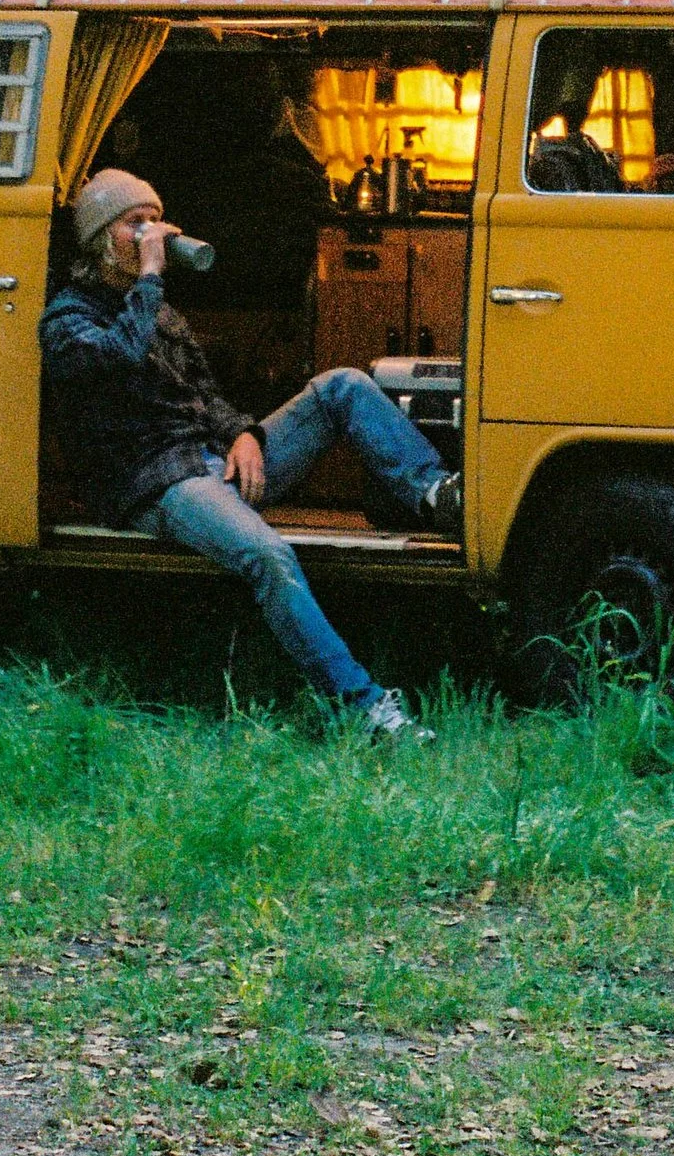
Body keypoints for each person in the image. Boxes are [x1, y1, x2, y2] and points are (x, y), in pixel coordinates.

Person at [39, 168, 458, 740]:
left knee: (341, 386)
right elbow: (117, 361)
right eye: (135, 224)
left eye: (154, 221)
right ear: (99, 240)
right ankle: (366, 710)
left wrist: (246, 435)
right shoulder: (68, 318)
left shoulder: (157, 312)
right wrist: (154, 277)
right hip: (157, 484)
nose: (150, 234)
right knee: (270, 557)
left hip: (213, 463)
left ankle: (434, 494)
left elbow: (206, 396)